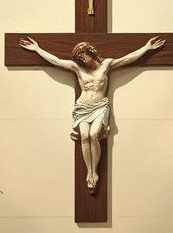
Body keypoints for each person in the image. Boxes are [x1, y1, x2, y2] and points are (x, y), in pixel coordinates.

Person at [19, 36, 165, 193]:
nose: (82, 58)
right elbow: (57, 61)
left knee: (94, 135)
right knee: (84, 136)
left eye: (83, 54)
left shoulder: (106, 65)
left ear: (90, 52)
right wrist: (37, 49)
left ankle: (94, 171)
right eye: (79, 57)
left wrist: (146, 48)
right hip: (83, 107)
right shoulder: (78, 69)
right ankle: (89, 171)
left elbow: (128, 59)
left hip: (100, 107)